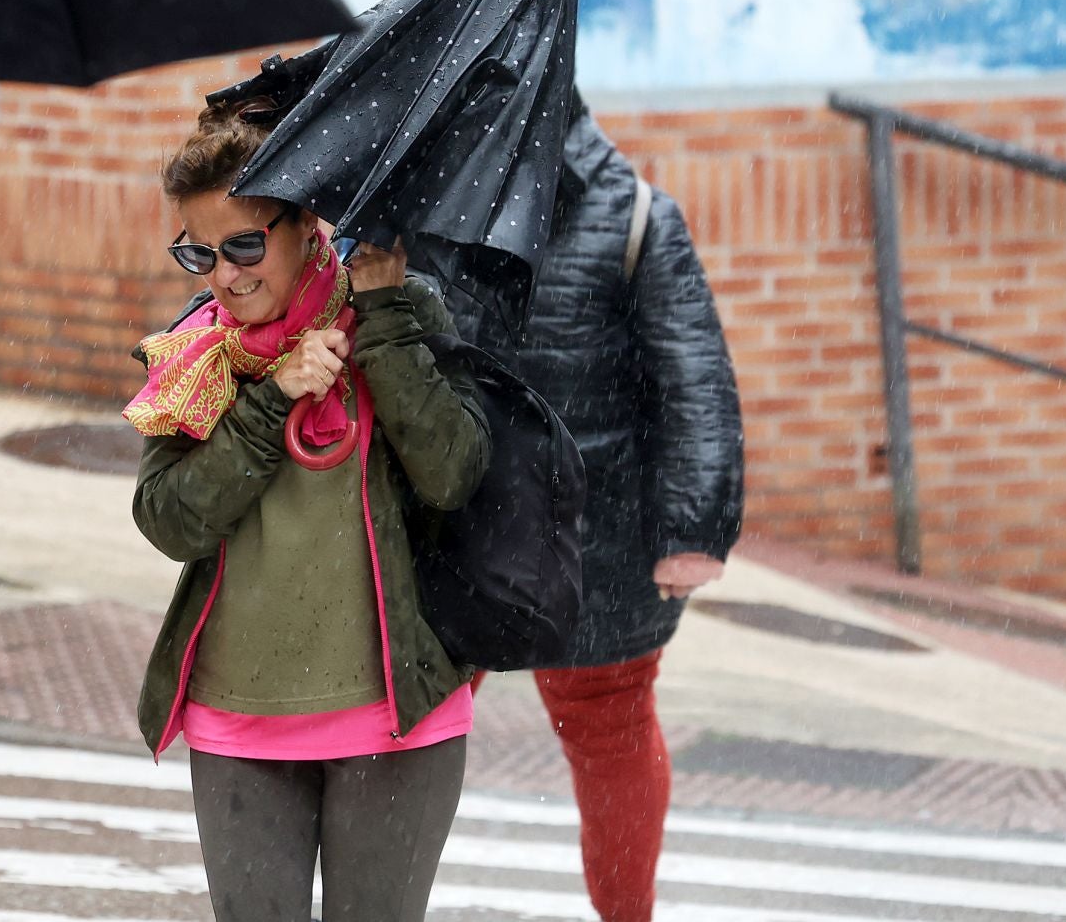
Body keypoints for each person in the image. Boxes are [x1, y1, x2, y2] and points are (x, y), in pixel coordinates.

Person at [126, 100, 493, 922]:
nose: (224, 274)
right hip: (238, 722)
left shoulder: (397, 310)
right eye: (199, 251)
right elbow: (168, 518)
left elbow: (452, 473)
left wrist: (387, 325)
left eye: (246, 244)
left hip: (395, 718)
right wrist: (269, 400)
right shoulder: (196, 356)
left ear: (307, 226)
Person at [457, 96, 744, 922]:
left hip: (593, 534)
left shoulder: (638, 216)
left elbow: (694, 377)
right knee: (405, 723)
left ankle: (627, 914)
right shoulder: (433, 205)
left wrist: (692, 526)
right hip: (459, 523)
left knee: (605, 727)